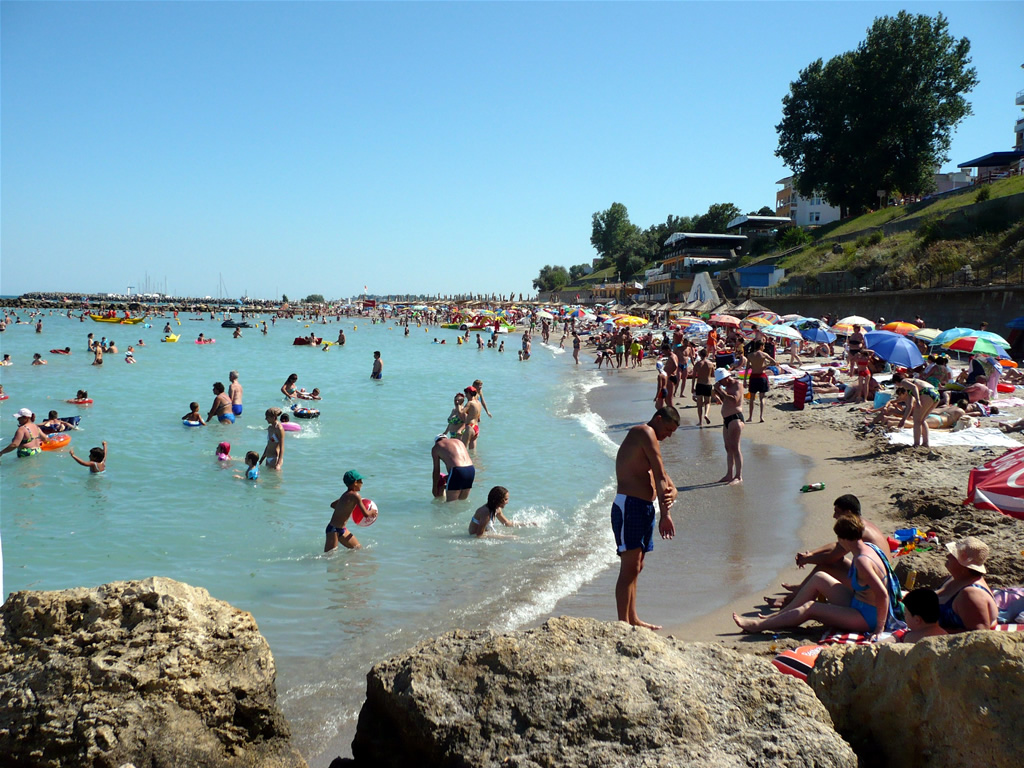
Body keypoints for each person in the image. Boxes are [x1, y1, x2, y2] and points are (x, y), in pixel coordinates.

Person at [734, 514, 903, 639]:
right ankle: (779, 616)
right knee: (819, 577)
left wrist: (879, 629)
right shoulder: (867, 547)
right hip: (859, 602)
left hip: (868, 616)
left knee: (811, 608)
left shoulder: (862, 561)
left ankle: (758, 625)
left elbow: (882, 594)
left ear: (844, 538)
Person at [612, 406, 680, 630]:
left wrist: (673, 492)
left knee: (637, 566)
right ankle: (623, 624)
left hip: (645, 508)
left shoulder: (652, 441)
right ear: (658, 419)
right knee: (629, 567)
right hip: (629, 506)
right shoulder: (644, 432)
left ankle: (633, 618)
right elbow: (659, 475)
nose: (668, 435)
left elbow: (665, 479)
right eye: (668, 429)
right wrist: (666, 515)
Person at [765, 494, 890, 610]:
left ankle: (791, 599)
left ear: (848, 512)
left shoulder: (860, 531)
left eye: (837, 512)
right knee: (835, 563)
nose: (834, 516)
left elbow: (831, 557)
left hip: (875, 585)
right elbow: (837, 545)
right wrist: (812, 553)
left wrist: (807, 560)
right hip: (878, 576)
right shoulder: (861, 525)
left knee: (825, 567)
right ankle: (802, 589)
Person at [935, 537, 998, 632]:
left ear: (964, 566)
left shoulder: (971, 594)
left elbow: (979, 633)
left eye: (953, 555)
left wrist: (929, 632)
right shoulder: (955, 578)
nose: (948, 556)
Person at [714, 369, 744, 485]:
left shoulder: (737, 384)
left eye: (721, 381)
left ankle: (738, 476)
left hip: (735, 418)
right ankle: (729, 474)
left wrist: (721, 391)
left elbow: (735, 400)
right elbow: (725, 400)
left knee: (735, 447)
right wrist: (717, 394)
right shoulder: (726, 387)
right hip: (726, 419)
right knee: (728, 447)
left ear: (726, 378)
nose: (720, 383)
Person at [893, 375, 939, 448]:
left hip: (927, 393)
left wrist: (917, 400)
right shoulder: (908, 388)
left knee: (917, 420)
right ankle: (925, 442)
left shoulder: (904, 381)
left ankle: (916, 443)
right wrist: (903, 420)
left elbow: (914, 387)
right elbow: (909, 406)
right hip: (935, 394)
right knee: (922, 420)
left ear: (896, 382)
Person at [325, 470, 366, 551]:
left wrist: (346, 509)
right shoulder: (356, 495)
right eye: (360, 481)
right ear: (355, 483)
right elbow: (366, 514)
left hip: (342, 529)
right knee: (330, 556)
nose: (362, 483)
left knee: (358, 548)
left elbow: (333, 505)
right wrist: (373, 512)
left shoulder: (345, 495)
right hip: (333, 530)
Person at [432, 435, 475, 501]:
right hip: (471, 469)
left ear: (436, 442)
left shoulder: (437, 446)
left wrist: (434, 487)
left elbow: (436, 471)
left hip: (457, 470)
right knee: (462, 501)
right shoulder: (458, 441)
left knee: (450, 503)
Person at [746, 340, 778, 423]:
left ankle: (750, 417)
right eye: (763, 346)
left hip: (753, 377)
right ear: (761, 346)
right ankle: (761, 416)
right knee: (762, 398)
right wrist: (765, 366)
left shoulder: (750, 355)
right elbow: (774, 362)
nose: (763, 348)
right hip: (761, 377)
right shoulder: (764, 354)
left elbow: (747, 368)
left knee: (752, 398)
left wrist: (745, 380)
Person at [692, 349, 714, 427]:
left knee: (699, 404)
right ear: (707, 355)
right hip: (708, 384)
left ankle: (700, 421)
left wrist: (692, 387)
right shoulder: (711, 364)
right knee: (708, 402)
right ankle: (706, 414)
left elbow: (693, 376)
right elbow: (713, 374)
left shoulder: (697, 364)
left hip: (699, 384)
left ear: (700, 355)